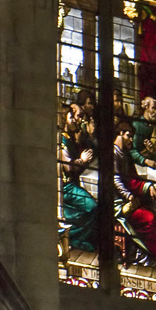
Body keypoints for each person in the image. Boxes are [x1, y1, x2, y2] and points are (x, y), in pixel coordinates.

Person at [111, 126, 156, 266]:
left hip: (126, 200)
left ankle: (145, 254)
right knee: (149, 219)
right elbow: (115, 180)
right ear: (120, 133)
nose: (131, 139)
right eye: (128, 136)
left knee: (150, 211)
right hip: (117, 204)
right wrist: (129, 197)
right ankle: (148, 255)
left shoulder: (124, 153)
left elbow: (131, 179)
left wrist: (147, 186)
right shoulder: (113, 153)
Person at [58, 103, 98, 253]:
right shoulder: (61, 141)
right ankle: (75, 239)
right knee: (92, 207)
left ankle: (77, 238)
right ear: (63, 119)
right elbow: (68, 168)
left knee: (87, 211)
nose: (75, 120)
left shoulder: (70, 137)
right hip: (66, 187)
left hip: (72, 184)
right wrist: (81, 160)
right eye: (72, 117)